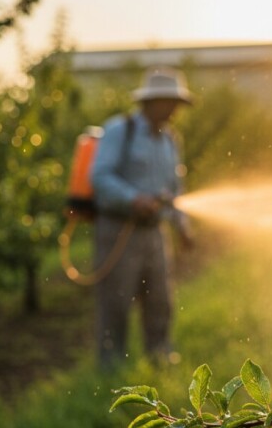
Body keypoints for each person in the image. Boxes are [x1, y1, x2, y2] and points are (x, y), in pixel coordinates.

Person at [90, 67, 194, 369]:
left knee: (160, 299)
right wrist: (133, 199)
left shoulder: (171, 140)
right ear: (151, 102)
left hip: (155, 232)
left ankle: (160, 357)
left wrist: (182, 226)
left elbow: (175, 190)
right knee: (116, 302)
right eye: (170, 102)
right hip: (118, 230)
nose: (175, 109)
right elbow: (99, 176)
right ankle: (110, 369)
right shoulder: (119, 131)